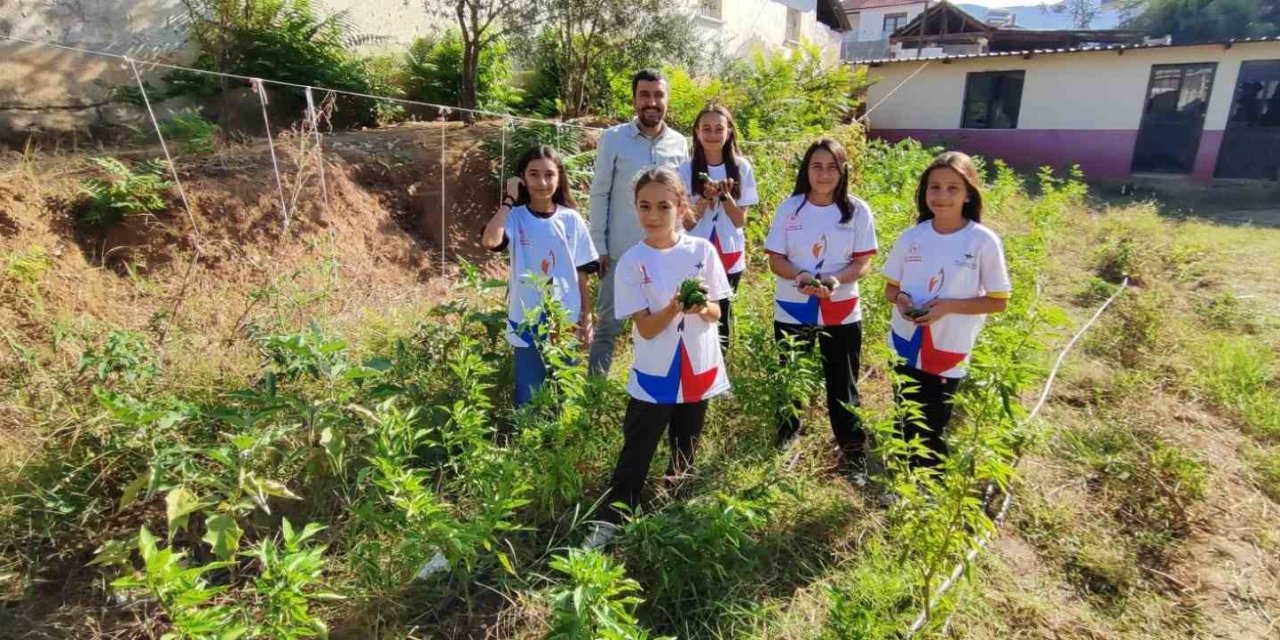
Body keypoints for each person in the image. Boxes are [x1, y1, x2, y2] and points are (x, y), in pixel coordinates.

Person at [585, 167, 731, 549]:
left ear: (681, 206)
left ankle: (674, 513)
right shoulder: (633, 262)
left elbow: (718, 312)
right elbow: (646, 329)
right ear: (634, 209)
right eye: (644, 206)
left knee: (686, 445)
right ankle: (611, 520)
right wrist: (674, 306)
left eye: (663, 206)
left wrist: (700, 307)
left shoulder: (702, 251)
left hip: (697, 367)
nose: (653, 215)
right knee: (638, 446)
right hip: (654, 373)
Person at [881, 151, 1010, 471]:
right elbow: (890, 288)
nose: (942, 196)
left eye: (953, 188)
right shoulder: (912, 237)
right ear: (924, 193)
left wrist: (949, 306)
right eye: (934, 187)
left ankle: (926, 489)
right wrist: (902, 300)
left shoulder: (983, 241)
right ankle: (901, 480)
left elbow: (998, 300)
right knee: (905, 414)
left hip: (948, 348)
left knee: (934, 423)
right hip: (906, 341)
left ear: (969, 194)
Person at [763, 138, 878, 482]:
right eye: (817, 166)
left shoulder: (857, 210)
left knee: (843, 383)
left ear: (843, 171)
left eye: (832, 166)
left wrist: (835, 281)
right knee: (790, 377)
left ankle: (853, 451)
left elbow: (863, 263)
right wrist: (800, 276)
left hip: (840, 308)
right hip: (793, 307)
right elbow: (775, 259)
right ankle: (787, 438)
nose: (824, 173)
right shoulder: (790, 209)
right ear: (806, 170)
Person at [587, 69, 689, 376]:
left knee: (665, 324)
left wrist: (682, 245)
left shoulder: (679, 143)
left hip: (665, 254)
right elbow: (600, 193)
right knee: (609, 327)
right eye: (644, 95)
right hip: (620, 253)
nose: (651, 102)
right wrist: (599, 247)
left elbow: (680, 198)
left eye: (658, 95)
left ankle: (656, 387)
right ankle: (594, 396)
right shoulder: (614, 139)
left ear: (667, 100)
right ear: (634, 100)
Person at [482, 145, 599, 407]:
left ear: (559, 178)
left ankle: (563, 440)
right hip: (526, 318)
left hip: (565, 317)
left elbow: (582, 273)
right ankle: (527, 440)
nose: (542, 182)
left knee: (566, 389)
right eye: (534, 174)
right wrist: (509, 200)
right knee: (529, 392)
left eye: (549, 174)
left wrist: (587, 316)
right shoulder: (515, 218)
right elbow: (491, 240)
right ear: (522, 178)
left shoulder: (571, 220)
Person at [677, 103, 758, 353]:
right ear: (697, 132)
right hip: (695, 252)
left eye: (718, 129)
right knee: (696, 307)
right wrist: (704, 199)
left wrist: (724, 196)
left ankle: (721, 366)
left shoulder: (741, 167)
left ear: (729, 132)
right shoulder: (685, 169)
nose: (712, 135)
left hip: (729, 253)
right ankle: (697, 362)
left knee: (722, 311)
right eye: (706, 129)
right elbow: (687, 223)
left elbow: (739, 220)